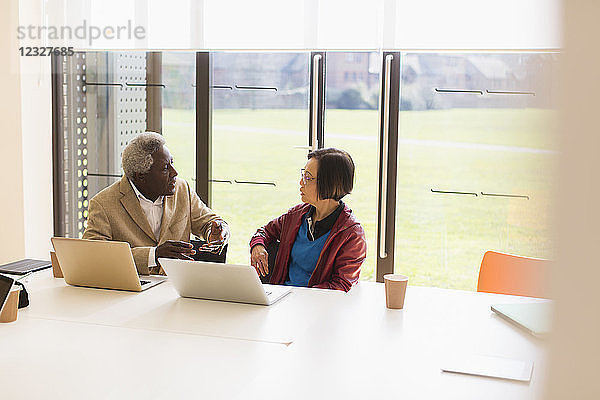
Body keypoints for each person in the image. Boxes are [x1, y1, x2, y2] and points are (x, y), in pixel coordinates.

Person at [83, 131, 229, 275]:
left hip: (177, 288)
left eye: (172, 163)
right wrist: (153, 255)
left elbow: (208, 221)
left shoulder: (182, 189)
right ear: (141, 176)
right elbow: (94, 256)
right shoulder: (103, 204)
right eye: (166, 168)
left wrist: (215, 231)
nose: (175, 173)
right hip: (131, 291)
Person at [249, 148, 366, 292]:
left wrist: (300, 296)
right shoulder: (296, 215)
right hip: (282, 298)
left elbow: (340, 285)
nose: (300, 182)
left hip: (317, 307)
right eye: (303, 175)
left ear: (329, 184)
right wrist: (257, 246)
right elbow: (264, 231)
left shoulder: (352, 235)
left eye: (308, 178)